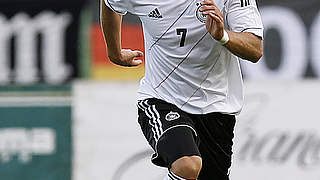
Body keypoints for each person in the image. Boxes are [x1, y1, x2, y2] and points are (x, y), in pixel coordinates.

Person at [100, 0, 263, 179]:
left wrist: (223, 36)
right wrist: (115, 53)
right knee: (187, 164)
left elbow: (255, 48)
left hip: (217, 107)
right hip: (162, 98)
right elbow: (110, 3)